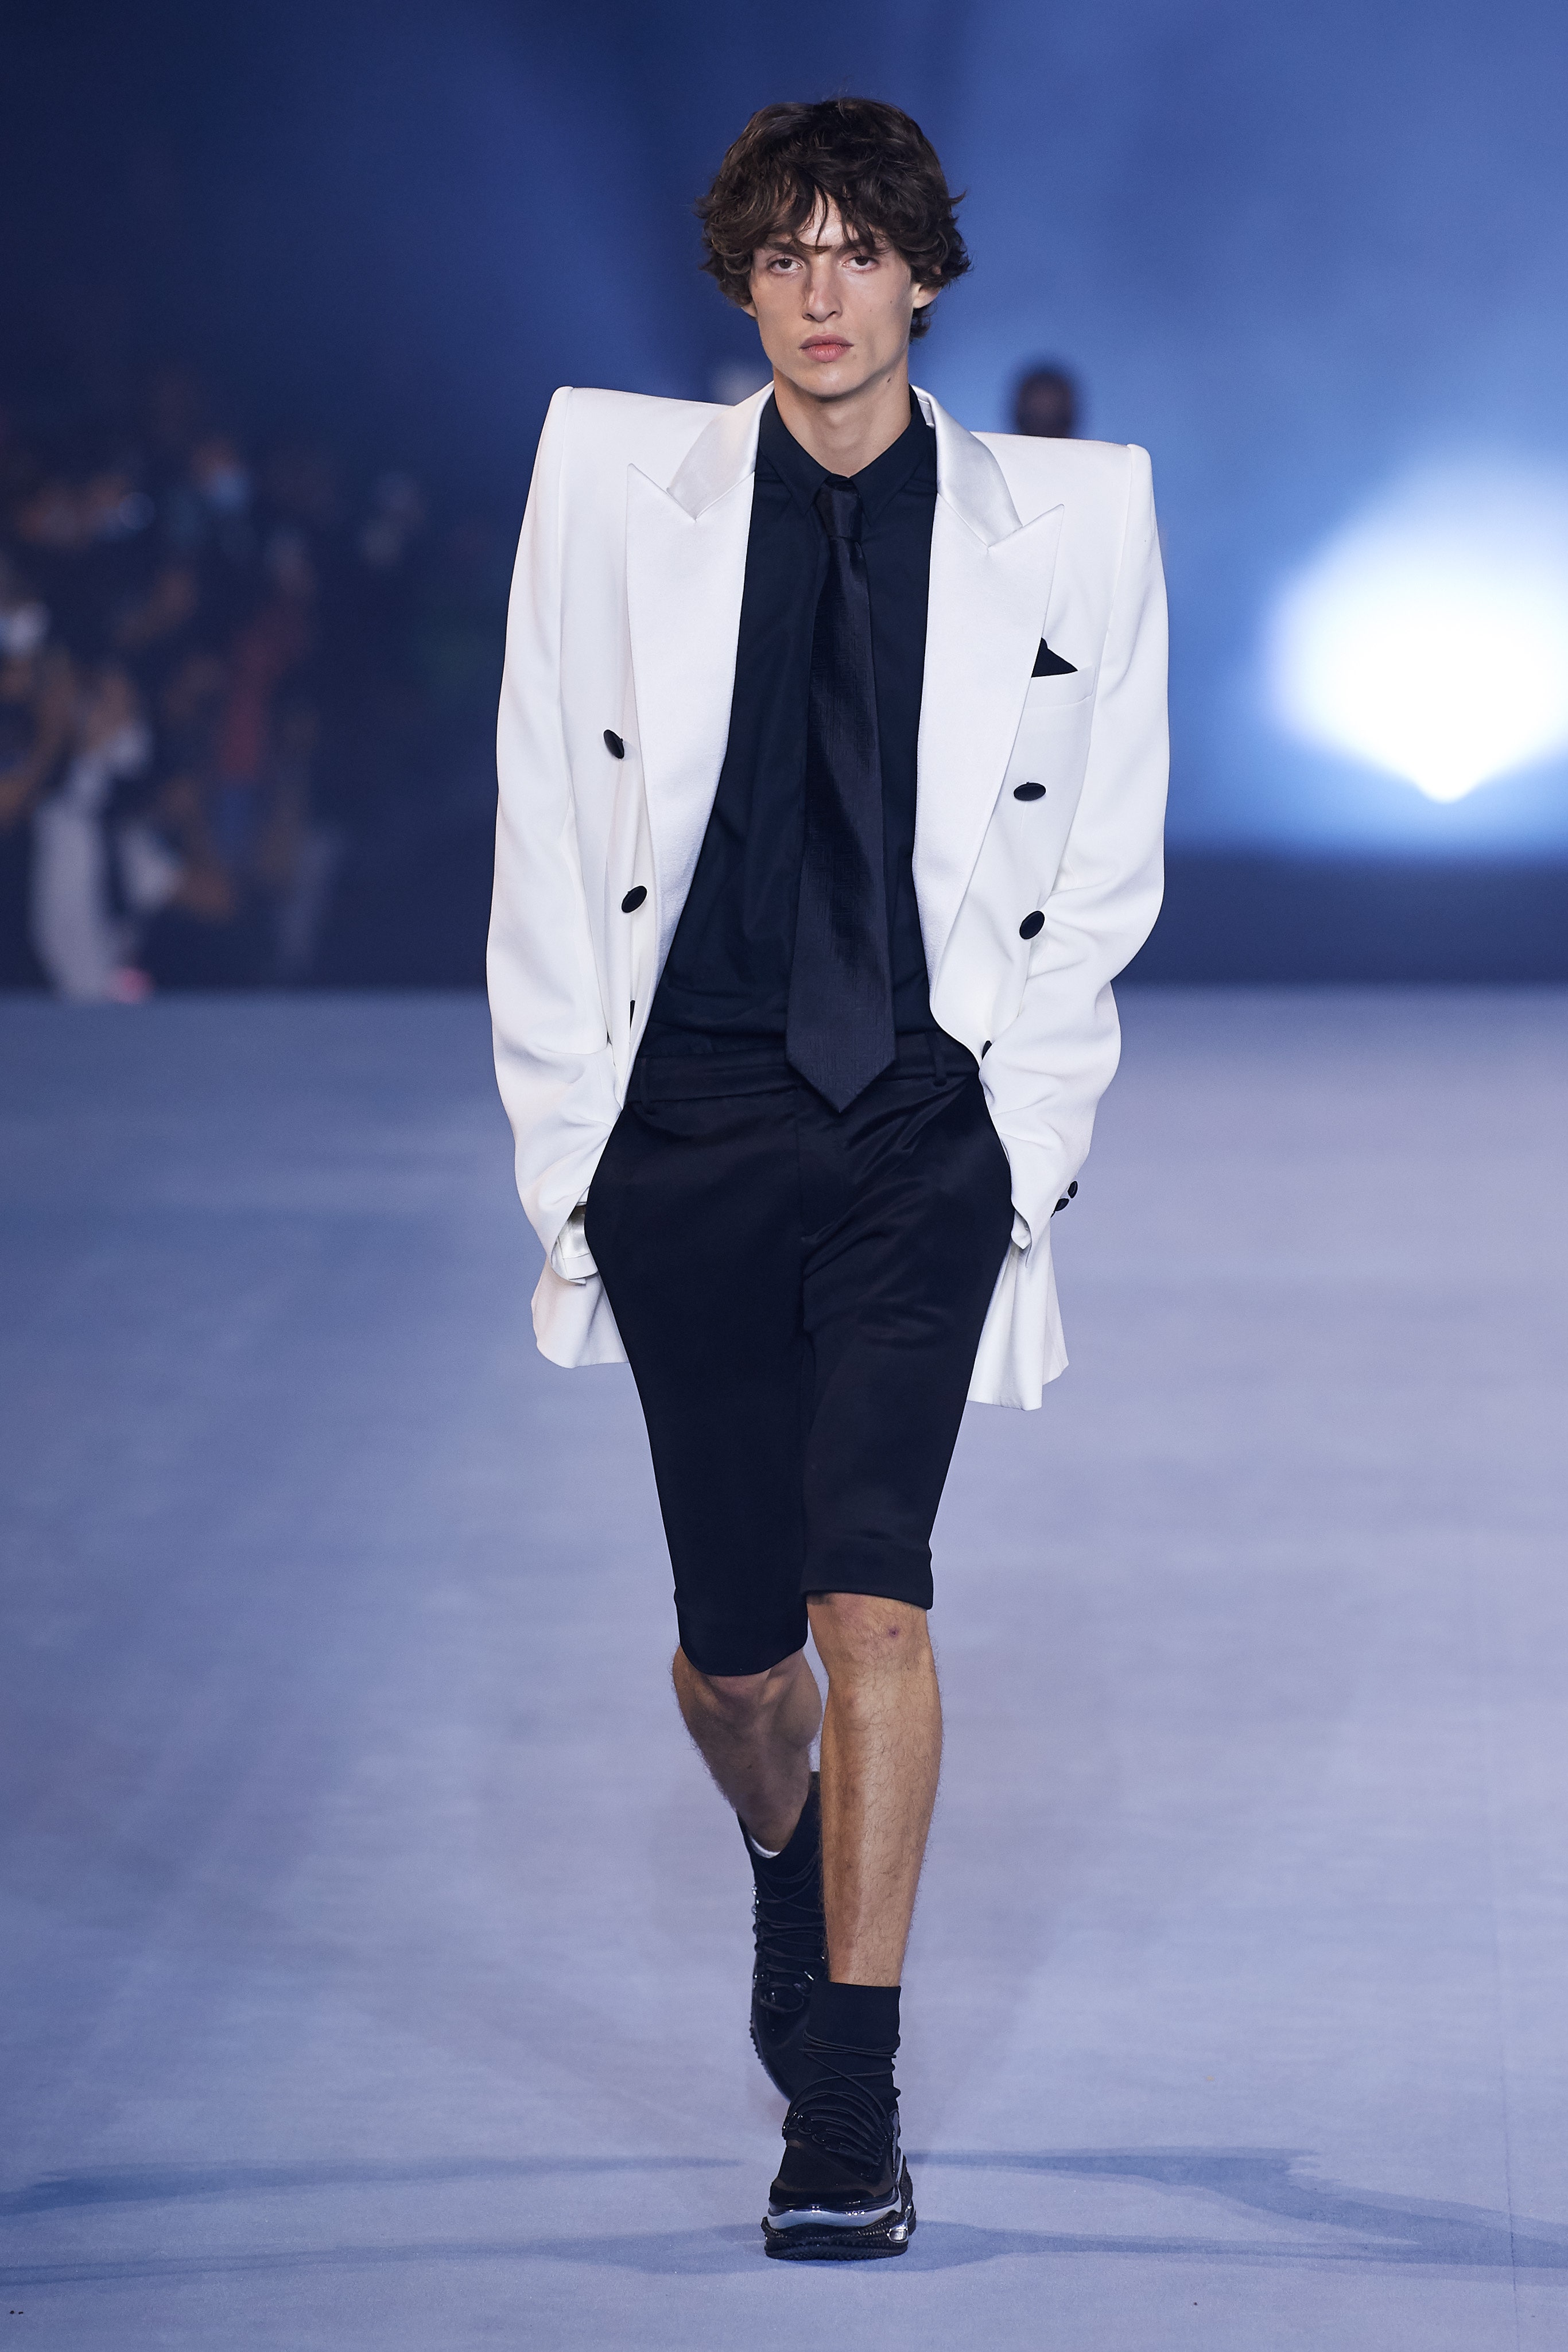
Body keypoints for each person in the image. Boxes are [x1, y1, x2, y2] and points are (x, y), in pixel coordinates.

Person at [488, 96, 1167, 2261]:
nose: (818, 290)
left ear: (921, 275)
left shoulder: (1073, 523)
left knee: (874, 1584)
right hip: (686, 1117)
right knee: (731, 1653)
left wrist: (1018, 1132)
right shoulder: (621, 495)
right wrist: (569, 1154)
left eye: (855, 249)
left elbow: (1099, 861)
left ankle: (848, 2106)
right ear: (740, 281)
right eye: (780, 253)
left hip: (913, 1121)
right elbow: (541, 815)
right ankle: (782, 1851)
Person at [1014, 362, 1080, 439]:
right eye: (1038, 401)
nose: (1044, 406)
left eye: (1051, 403)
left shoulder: (1085, 447)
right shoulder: (1003, 446)